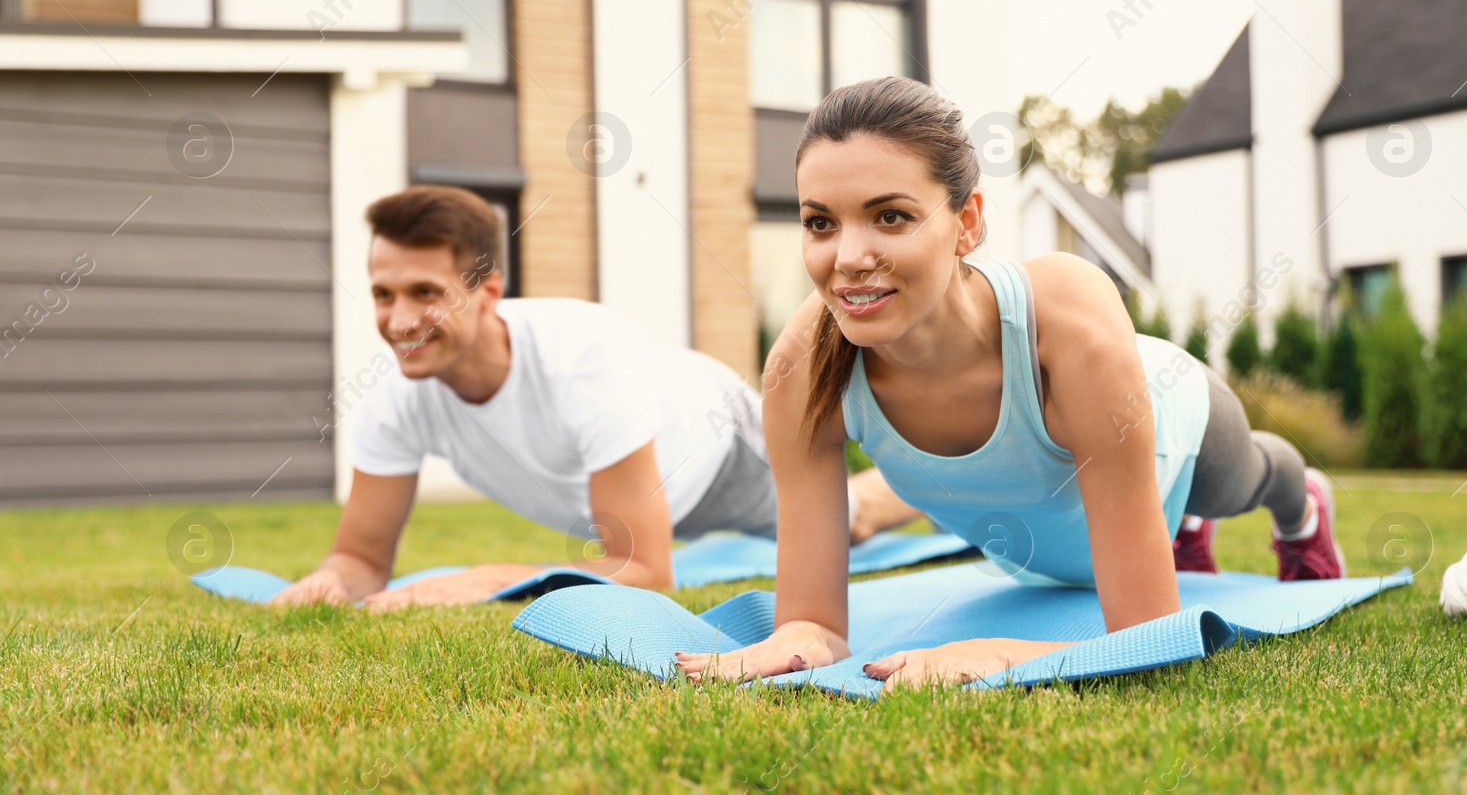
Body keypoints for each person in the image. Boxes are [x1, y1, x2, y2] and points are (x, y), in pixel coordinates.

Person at [675, 77, 1346, 691]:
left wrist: (1000, 653)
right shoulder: (802, 368)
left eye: (890, 217)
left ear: (966, 222)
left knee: (1248, 477)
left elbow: (1148, 637)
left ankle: (1302, 508)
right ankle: (1179, 535)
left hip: (1171, 430)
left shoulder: (1068, 316)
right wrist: (797, 638)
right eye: (821, 222)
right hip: (1043, 545)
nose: (848, 258)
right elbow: (814, 622)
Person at [270, 185, 916, 610]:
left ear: (488, 290)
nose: (400, 320)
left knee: (844, 520)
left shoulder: (582, 354)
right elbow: (358, 558)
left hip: (708, 443)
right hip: (629, 493)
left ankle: (928, 478)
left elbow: (642, 570)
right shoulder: (395, 393)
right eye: (384, 295)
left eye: (425, 293)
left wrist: (495, 578)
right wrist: (328, 584)